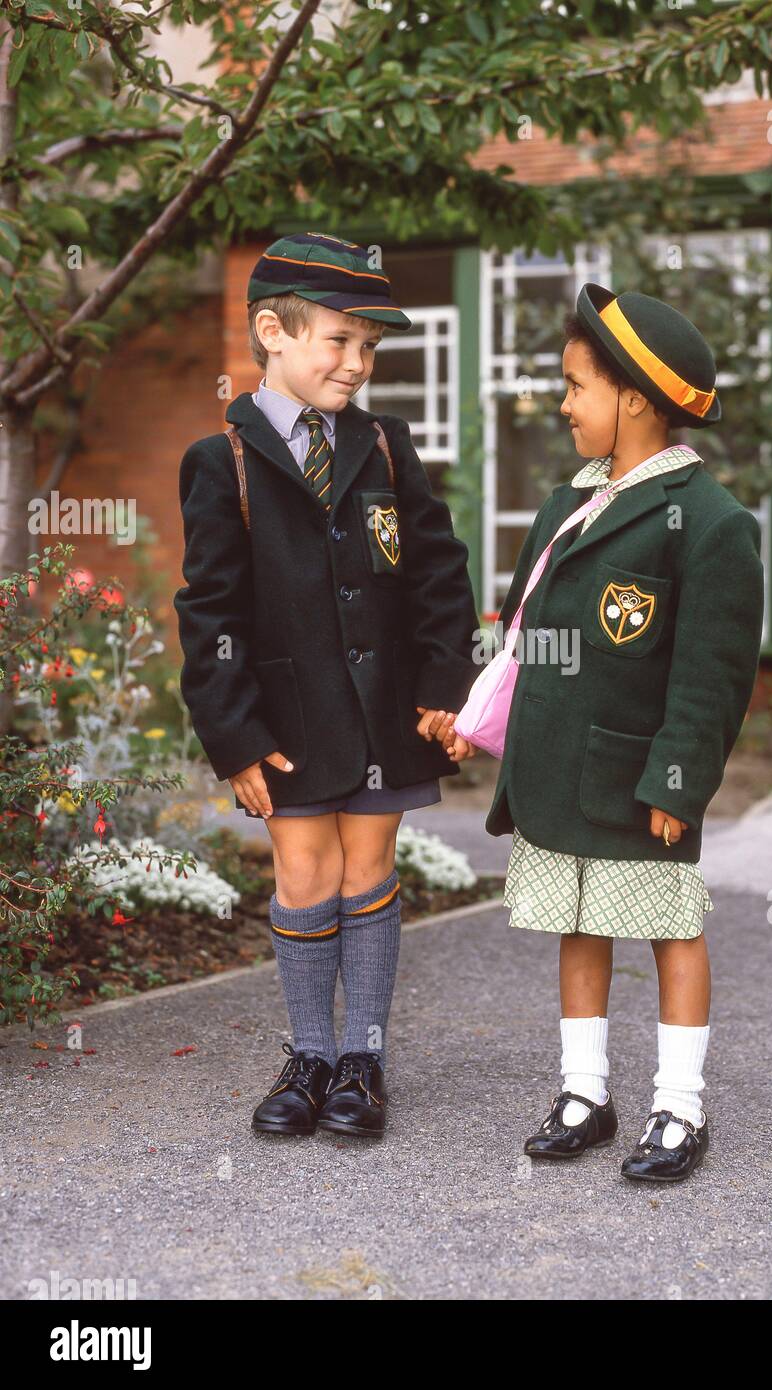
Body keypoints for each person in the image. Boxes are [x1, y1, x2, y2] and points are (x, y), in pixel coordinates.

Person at [453, 283, 764, 1183]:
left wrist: (678, 781)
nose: (562, 403)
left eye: (575, 386)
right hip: (559, 772)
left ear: (633, 398)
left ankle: (679, 1107)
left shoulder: (710, 523)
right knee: (576, 926)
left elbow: (713, 676)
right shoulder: (563, 508)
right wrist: (469, 713)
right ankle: (584, 1092)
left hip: (637, 781)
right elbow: (525, 636)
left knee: (672, 931)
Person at [174, 232, 478, 1140]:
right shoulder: (219, 460)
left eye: (370, 348)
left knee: (370, 870)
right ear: (272, 331)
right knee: (304, 874)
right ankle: (308, 1054)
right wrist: (230, 732)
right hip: (287, 722)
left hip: (385, 714)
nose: (357, 363)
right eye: (338, 342)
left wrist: (444, 682)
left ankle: (363, 1061)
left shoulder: (385, 446)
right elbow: (209, 608)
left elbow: (436, 570)